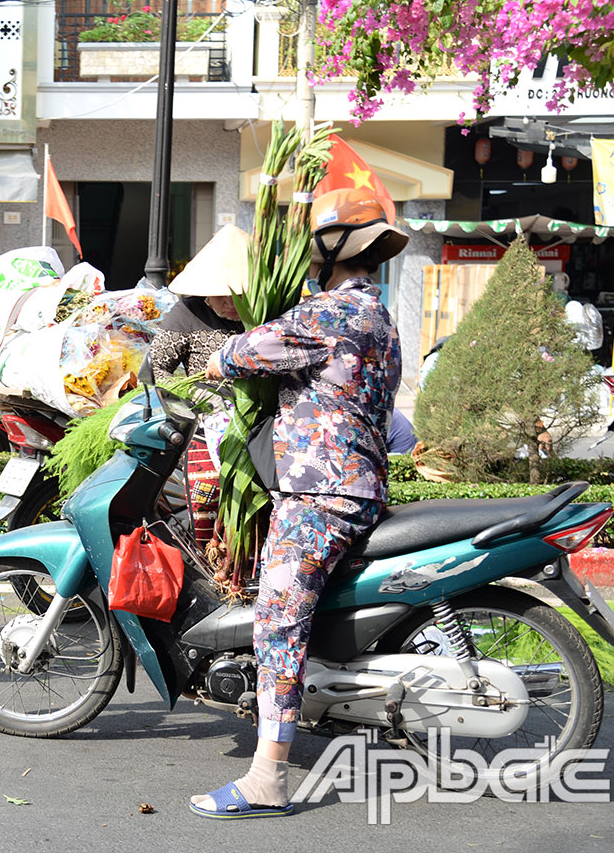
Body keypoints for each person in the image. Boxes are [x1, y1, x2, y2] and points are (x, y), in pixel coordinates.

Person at [192, 188, 404, 819]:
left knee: (277, 624)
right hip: (360, 484)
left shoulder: (326, 315)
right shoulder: (380, 316)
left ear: (329, 253)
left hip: (320, 494)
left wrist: (201, 354)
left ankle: (267, 776)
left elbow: (239, 355)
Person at [149, 225, 247, 551]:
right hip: (207, 429)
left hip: (258, 429)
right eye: (219, 293)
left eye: (236, 294)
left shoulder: (266, 314)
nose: (228, 302)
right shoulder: (187, 313)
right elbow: (155, 369)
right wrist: (197, 395)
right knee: (207, 510)